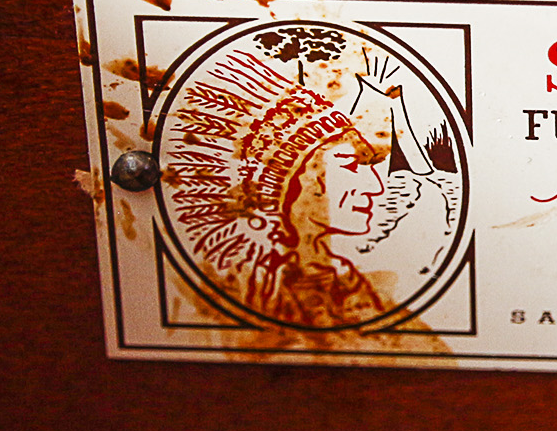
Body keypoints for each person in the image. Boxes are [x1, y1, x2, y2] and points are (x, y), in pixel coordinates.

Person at [167, 48, 391, 329]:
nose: (375, 188)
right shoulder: (258, 299)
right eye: (350, 166)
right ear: (298, 187)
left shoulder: (361, 287)